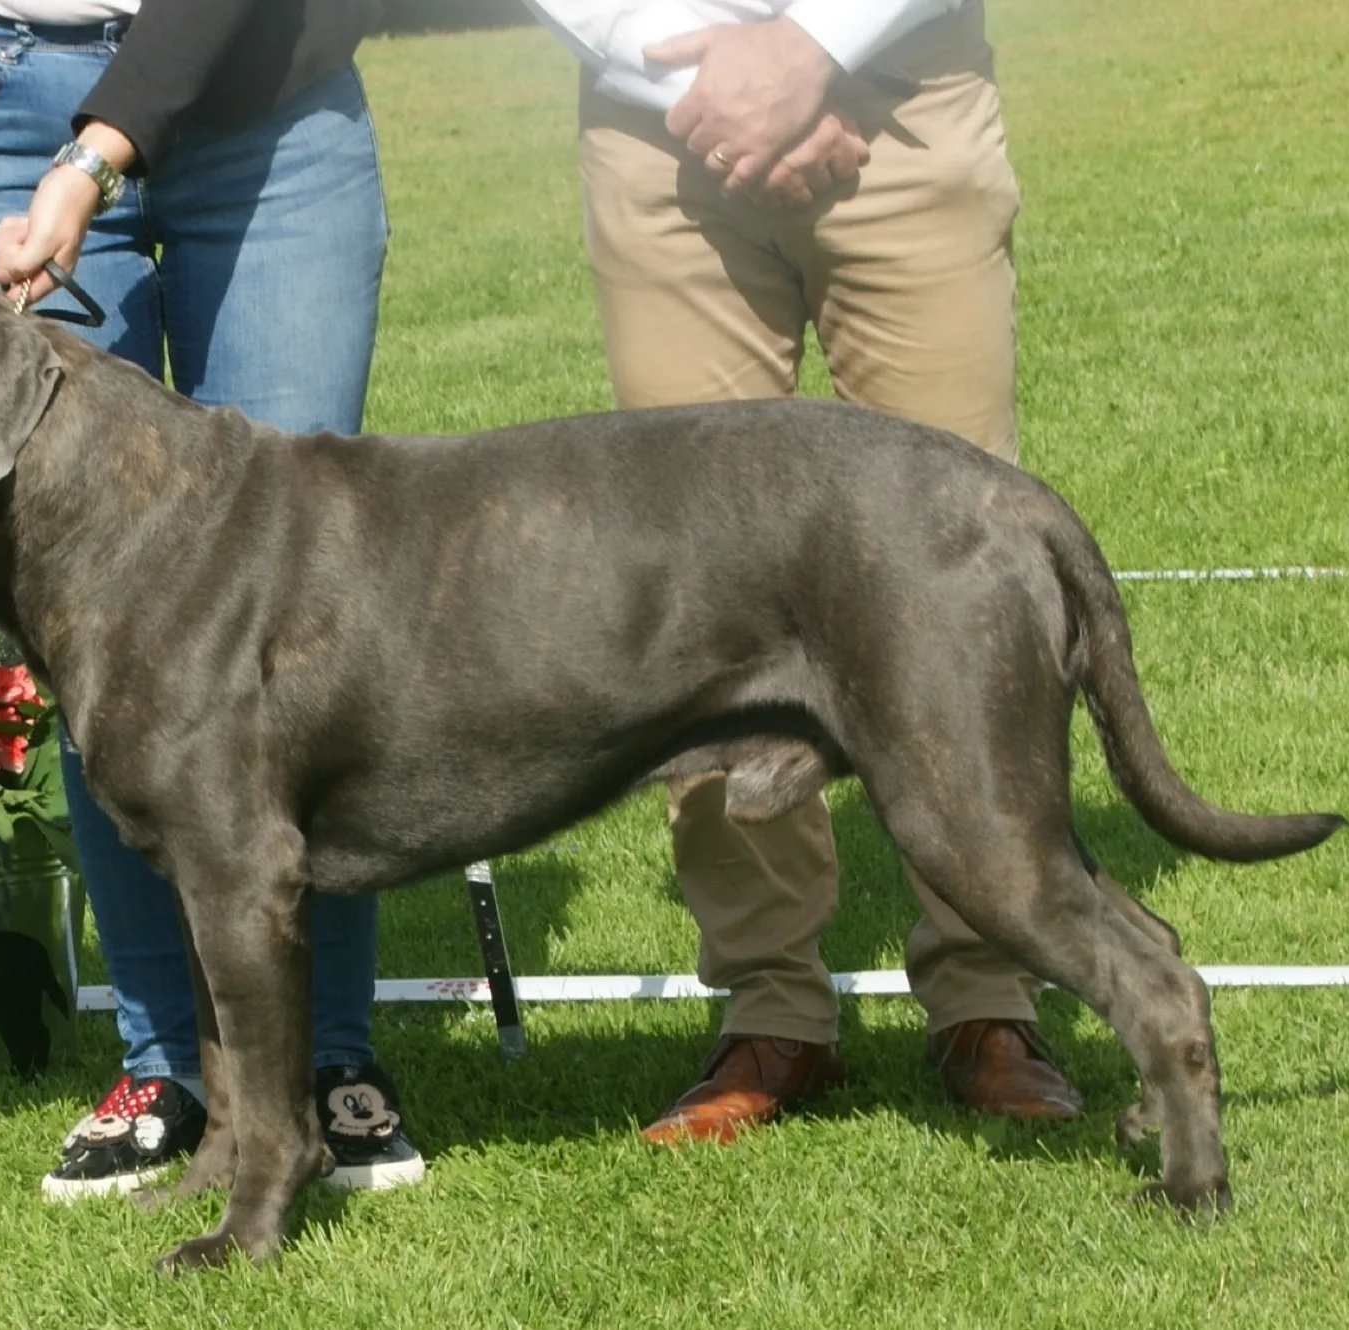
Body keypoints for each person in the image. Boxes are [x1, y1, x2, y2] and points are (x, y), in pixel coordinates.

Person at [0, 0, 424, 1195]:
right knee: (92, 618)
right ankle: (165, 1064)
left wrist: (96, 156)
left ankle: (328, 1057)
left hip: (263, 91)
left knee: (298, 618)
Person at [524, 0, 1085, 1142]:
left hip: (902, 90)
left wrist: (816, 47)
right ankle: (771, 1007)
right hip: (661, 115)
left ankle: (989, 996)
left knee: (957, 595)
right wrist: (705, 71)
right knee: (698, 607)